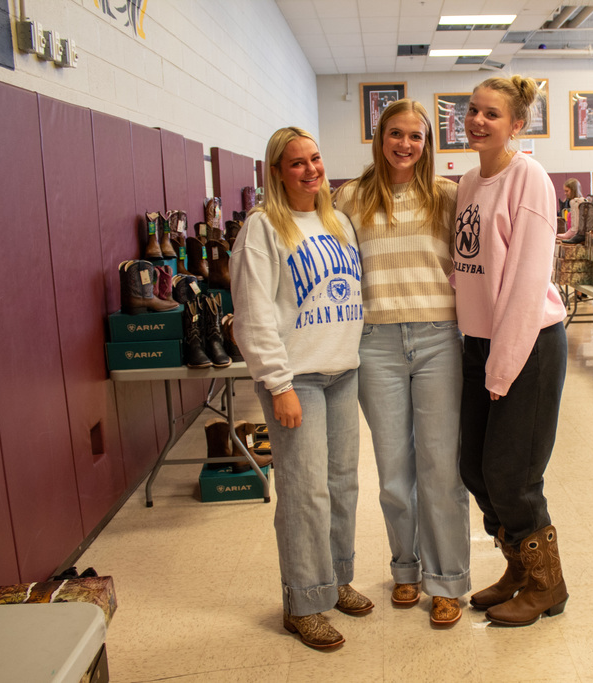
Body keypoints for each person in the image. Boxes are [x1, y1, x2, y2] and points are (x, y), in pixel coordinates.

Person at [231, 126, 371, 650]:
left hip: (343, 372)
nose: (311, 170)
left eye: (315, 159)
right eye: (297, 163)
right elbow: (253, 315)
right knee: (303, 493)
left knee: (341, 486)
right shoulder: (263, 227)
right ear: (276, 171)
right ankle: (303, 602)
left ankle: (335, 581)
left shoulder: (337, 223)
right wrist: (277, 382)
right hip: (298, 380)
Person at [333, 100, 470, 627]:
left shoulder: (449, 197)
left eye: (416, 136)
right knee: (394, 472)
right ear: (379, 137)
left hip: (439, 338)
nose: (405, 144)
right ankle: (405, 568)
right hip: (376, 344)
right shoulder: (349, 198)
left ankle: (448, 579)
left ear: (428, 143)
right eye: (396, 134)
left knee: (440, 467)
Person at [453, 74, 569, 627]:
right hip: (480, 343)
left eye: (491, 114)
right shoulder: (469, 182)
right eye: (473, 110)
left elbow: (525, 283)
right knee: (474, 468)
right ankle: (518, 569)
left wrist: (502, 366)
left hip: (528, 344)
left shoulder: (530, 179)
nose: (477, 121)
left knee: (512, 473)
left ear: (517, 125)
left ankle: (548, 585)